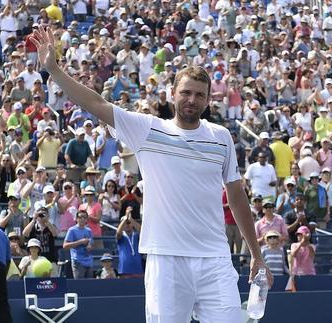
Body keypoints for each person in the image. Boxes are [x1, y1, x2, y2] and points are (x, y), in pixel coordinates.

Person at [32, 28, 272, 322]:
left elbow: (236, 197)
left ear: (209, 99)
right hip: (166, 259)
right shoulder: (147, 129)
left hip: (216, 259)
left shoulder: (221, 137)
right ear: (172, 94)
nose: (191, 100)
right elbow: (94, 103)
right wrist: (54, 70)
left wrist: (257, 255)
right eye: (185, 92)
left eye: (199, 94)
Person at [63, 209, 94, 279]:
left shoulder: (89, 231)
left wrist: (89, 247)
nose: (82, 219)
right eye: (80, 217)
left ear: (87, 219)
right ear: (76, 219)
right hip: (78, 261)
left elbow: (91, 244)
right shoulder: (72, 230)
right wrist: (80, 242)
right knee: (79, 286)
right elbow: (65, 246)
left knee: (90, 286)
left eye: (84, 217)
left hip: (89, 261)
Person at [116, 206, 144, 278]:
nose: (127, 224)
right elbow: (118, 233)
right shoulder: (121, 236)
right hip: (125, 269)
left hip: (137, 268)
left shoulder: (136, 235)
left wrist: (130, 219)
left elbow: (142, 231)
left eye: (129, 223)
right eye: (125, 223)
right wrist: (125, 218)